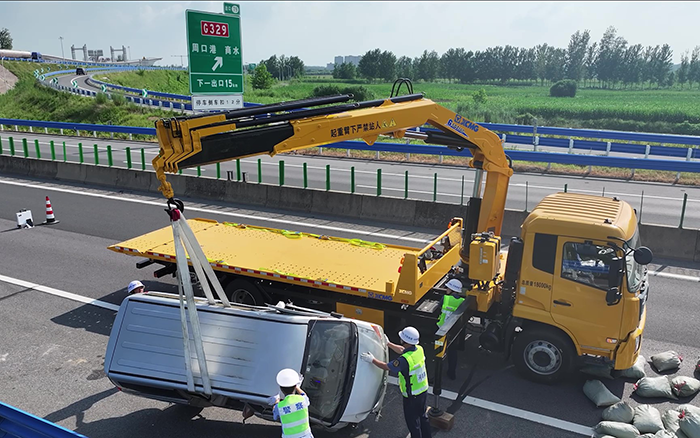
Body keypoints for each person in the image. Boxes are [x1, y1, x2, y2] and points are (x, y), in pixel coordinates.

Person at [361, 327, 431, 438]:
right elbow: (403, 350)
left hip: (412, 396)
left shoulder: (403, 361)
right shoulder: (419, 349)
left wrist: (372, 360)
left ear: (406, 341)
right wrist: (388, 344)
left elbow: (386, 366)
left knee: (413, 423)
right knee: (423, 416)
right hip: (423, 390)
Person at [267, 368, 314, 438]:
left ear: (281, 389)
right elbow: (304, 395)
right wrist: (297, 386)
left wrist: (276, 401)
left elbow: (275, 415)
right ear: (295, 386)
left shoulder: (279, 406)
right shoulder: (303, 400)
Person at [439, 278, 466, 380]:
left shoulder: (445, 298)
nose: (446, 289)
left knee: (440, 353)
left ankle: (437, 376)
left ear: (451, 289)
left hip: (442, 330)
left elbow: (439, 308)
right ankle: (451, 373)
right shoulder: (462, 301)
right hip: (454, 331)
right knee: (452, 352)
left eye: (447, 288)